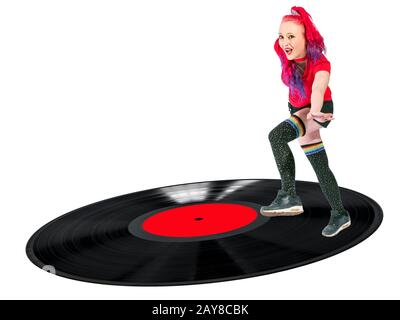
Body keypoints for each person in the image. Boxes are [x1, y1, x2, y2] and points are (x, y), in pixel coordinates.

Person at [260, 6, 351, 237]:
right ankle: (340, 214)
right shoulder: (282, 50)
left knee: (277, 136)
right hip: (299, 110)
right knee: (320, 166)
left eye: (291, 37)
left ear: (306, 39)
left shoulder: (320, 63)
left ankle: (288, 195)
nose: (284, 42)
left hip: (315, 110)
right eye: (281, 36)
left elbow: (319, 88)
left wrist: (315, 112)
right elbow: (284, 41)